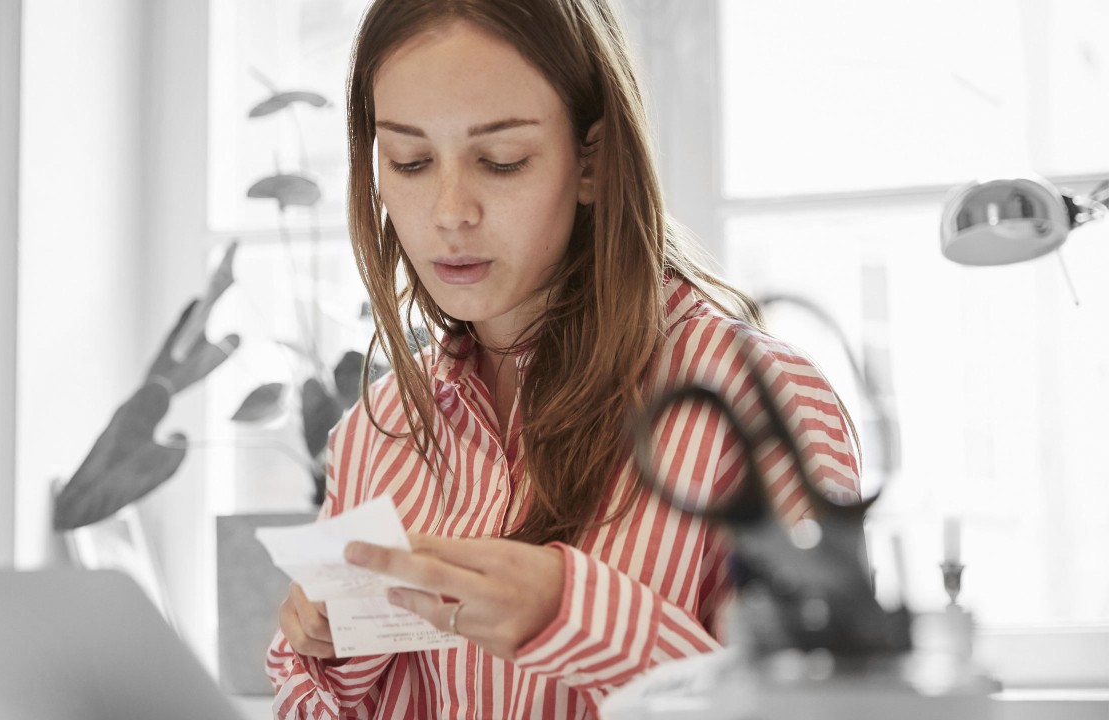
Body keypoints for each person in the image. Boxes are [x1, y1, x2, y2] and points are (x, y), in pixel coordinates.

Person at [265, 0, 860, 717]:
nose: (451, 211)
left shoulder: (765, 403)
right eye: (411, 161)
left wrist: (573, 614)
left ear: (593, 161)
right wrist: (323, 654)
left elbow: (821, 708)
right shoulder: (376, 436)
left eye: (501, 160)